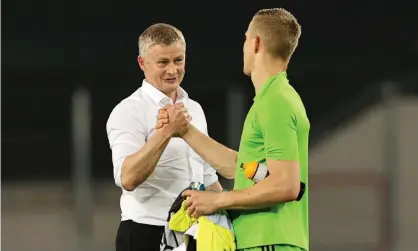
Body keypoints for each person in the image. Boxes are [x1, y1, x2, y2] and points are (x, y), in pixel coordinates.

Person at [157, 8, 309, 251]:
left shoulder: (276, 102)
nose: (244, 46)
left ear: (256, 43)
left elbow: (286, 184)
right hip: (264, 240)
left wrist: (217, 200)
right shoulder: (273, 98)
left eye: (246, 38)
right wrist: (185, 131)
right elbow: (242, 168)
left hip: (269, 241)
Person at [106, 23, 223, 251]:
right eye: (163, 62)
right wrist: (167, 132)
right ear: (142, 63)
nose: (172, 70)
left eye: (178, 60)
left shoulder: (195, 109)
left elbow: (207, 177)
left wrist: (231, 218)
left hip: (194, 234)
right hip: (146, 233)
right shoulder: (128, 111)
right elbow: (127, 177)